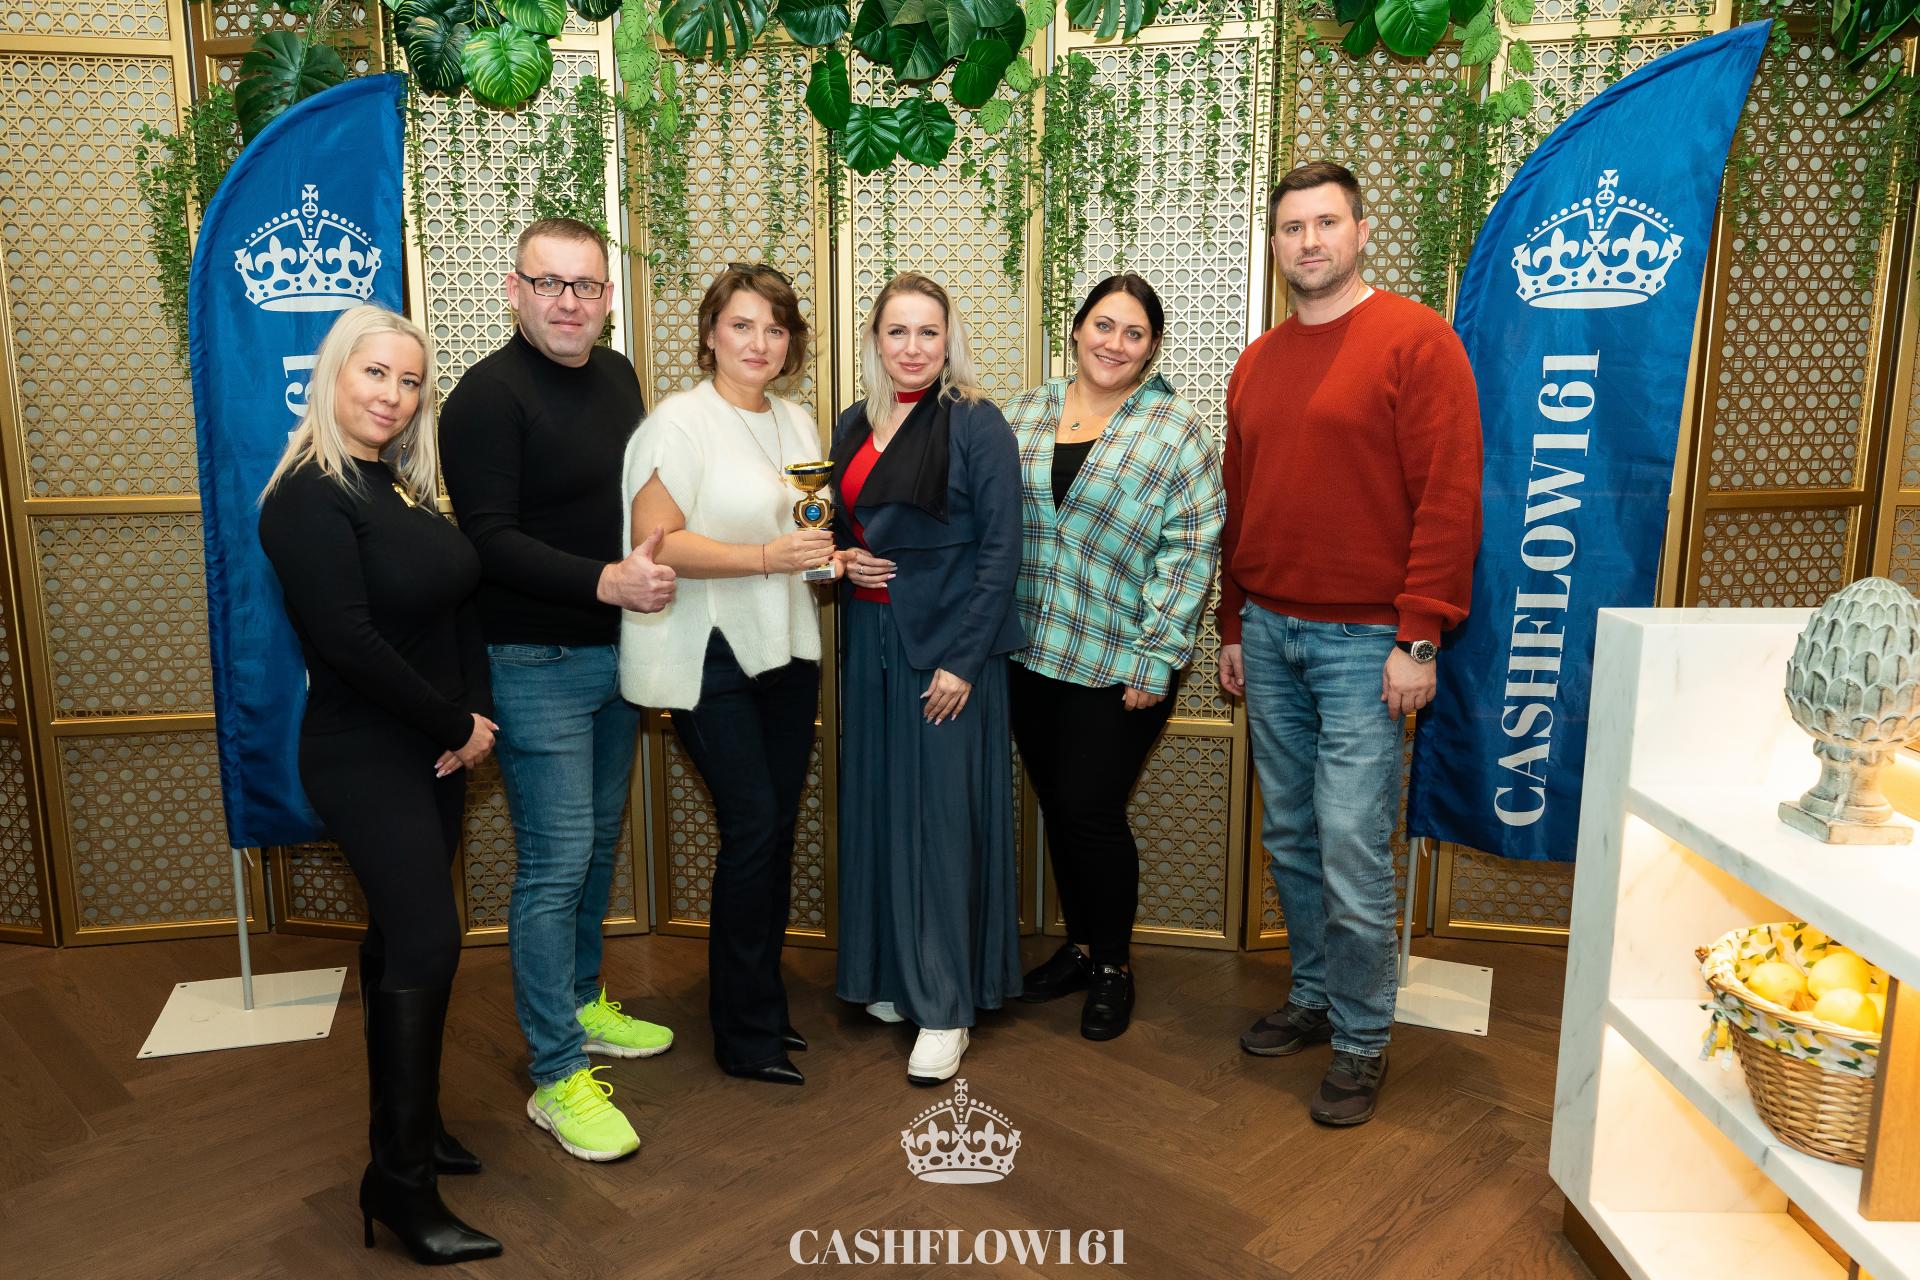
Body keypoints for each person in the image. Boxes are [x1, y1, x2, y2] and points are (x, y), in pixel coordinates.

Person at [1219, 162, 1482, 1126]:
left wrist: (1421, 635)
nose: (1310, 241)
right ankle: (1317, 995)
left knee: (1351, 843)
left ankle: (1365, 1036)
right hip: (1269, 631)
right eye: (1293, 227)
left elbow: (1450, 495)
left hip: (1368, 642)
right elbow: (1241, 503)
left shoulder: (1416, 340)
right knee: (1291, 835)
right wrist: (1233, 623)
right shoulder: (1259, 361)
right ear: (1276, 244)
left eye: (1327, 223)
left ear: (1361, 233)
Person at [258, 305, 502, 1265]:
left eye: (410, 381)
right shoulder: (305, 497)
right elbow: (348, 641)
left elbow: (460, 604)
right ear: (333, 374)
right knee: (431, 939)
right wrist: (452, 725)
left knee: (400, 936)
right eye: (376, 374)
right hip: (364, 752)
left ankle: (416, 1130)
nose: (393, 396)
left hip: (436, 749)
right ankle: (397, 1185)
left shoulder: (398, 486)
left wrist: (475, 717)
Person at [440, 218, 678, 1163]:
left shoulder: (618, 376)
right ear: (514, 289)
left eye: (586, 286)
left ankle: (580, 1004)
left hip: (619, 655)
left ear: (609, 297)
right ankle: (555, 1075)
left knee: (593, 849)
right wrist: (605, 582)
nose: (568, 302)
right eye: (549, 283)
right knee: (554, 862)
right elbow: (488, 540)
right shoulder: (484, 399)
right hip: (532, 661)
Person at [621, 264, 833, 1087]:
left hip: (788, 649)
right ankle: (742, 1033)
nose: (759, 342)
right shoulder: (679, 423)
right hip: (709, 655)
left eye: (775, 329)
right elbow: (657, 544)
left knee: (774, 831)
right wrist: (767, 556)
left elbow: (802, 532)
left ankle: (764, 1007)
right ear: (710, 334)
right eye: (742, 325)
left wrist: (825, 559)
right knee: (752, 828)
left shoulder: (797, 421)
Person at [1002, 273, 1224, 1041]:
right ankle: (1080, 947)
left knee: (1090, 812)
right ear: (1076, 329)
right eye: (1103, 325)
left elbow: (1190, 551)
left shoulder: (1176, 429)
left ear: (1152, 347)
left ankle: (1113, 968)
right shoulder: (1024, 413)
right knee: (1060, 808)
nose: (1115, 343)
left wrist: (1155, 658)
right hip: (1029, 653)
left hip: (1121, 662)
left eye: (1134, 333)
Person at [830, 272, 1025, 1086]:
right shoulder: (852, 422)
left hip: (949, 653)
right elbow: (835, 528)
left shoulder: (976, 421)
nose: (912, 348)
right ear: (875, 340)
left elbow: (1003, 550)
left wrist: (964, 660)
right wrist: (843, 559)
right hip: (869, 639)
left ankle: (945, 1006)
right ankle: (890, 976)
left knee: (940, 822)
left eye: (928, 332)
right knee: (879, 807)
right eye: (897, 331)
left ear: (950, 341)